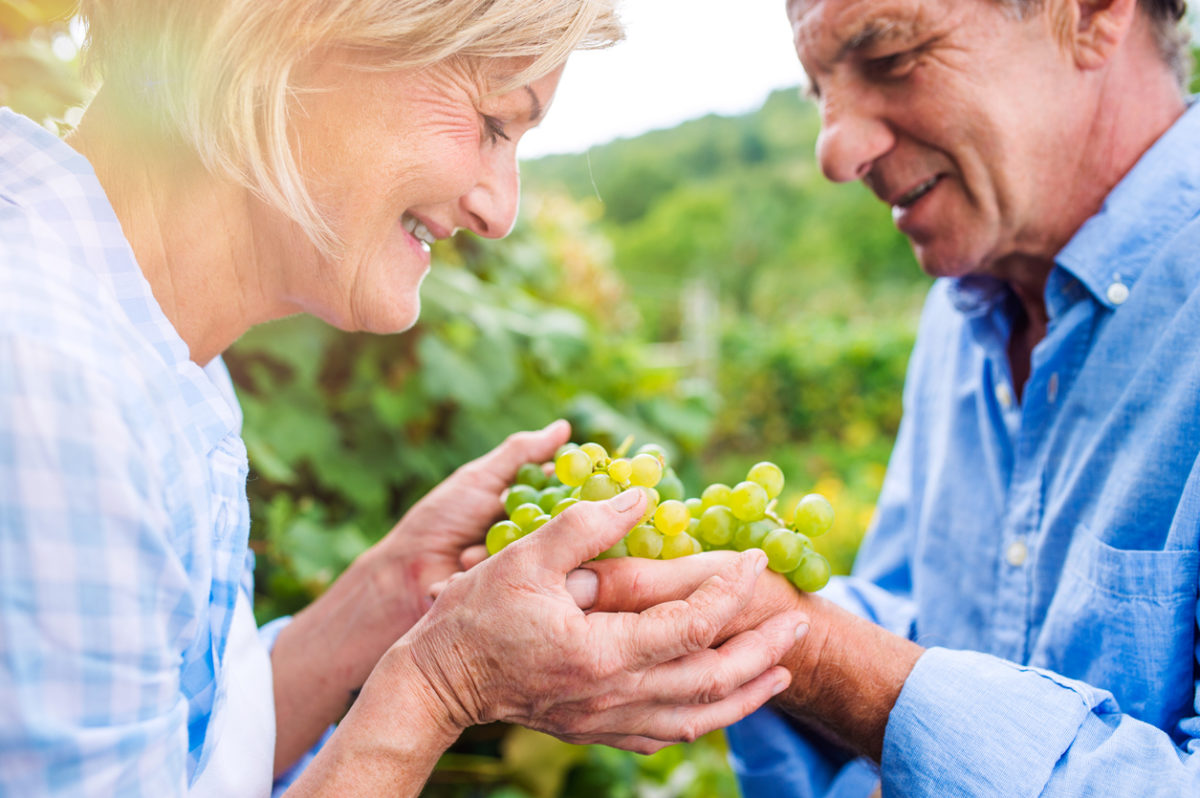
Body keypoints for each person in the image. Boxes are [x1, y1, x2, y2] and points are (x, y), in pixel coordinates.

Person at [0, 1, 810, 795]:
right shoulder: (51, 385)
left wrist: (397, 590)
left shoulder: (156, 355)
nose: (500, 211)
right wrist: (442, 683)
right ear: (291, 34)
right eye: (494, 122)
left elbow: (193, 751)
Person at [579, 0, 1200, 794]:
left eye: (892, 57)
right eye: (817, 93)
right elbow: (914, 627)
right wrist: (724, 611)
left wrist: (814, 652)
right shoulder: (961, 310)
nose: (834, 150)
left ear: (1089, 15)